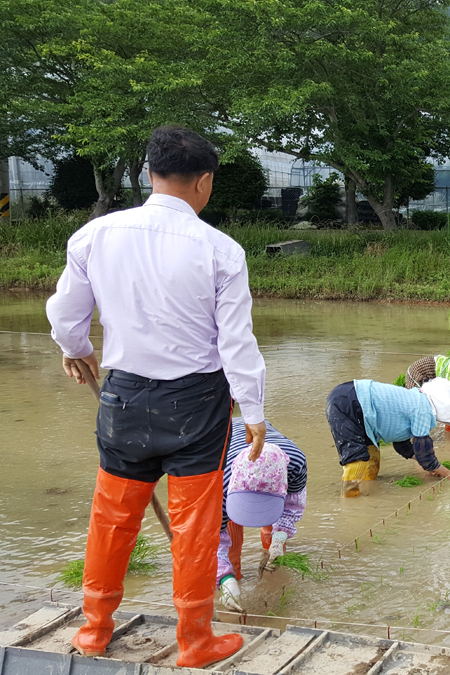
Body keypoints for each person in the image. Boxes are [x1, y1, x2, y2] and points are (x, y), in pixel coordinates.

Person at [46, 125, 265, 668]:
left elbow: (65, 316)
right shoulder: (222, 250)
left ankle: (94, 629)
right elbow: (236, 342)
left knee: (112, 517)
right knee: (194, 527)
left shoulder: (95, 234)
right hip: (197, 403)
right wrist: (255, 410)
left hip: (122, 397)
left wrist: (76, 350)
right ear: (205, 182)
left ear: (148, 173)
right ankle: (194, 642)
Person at [216, 420, 307, 613]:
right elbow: (210, 538)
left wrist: (281, 534)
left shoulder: (295, 464)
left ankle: (272, 563)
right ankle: (233, 577)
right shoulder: (218, 481)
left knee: (273, 534)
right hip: (225, 441)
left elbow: (292, 503)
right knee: (230, 542)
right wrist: (224, 578)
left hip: (261, 433)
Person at [326, 377, 450, 498]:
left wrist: (430, 466)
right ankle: (350, 501)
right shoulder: (423, 408)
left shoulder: (412, 401)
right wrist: (446, 473)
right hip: (349, 403)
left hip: (352, 401)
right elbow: (425, 454)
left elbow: (402, 445)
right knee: (358, 458)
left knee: (372, 458)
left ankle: (368, 491)